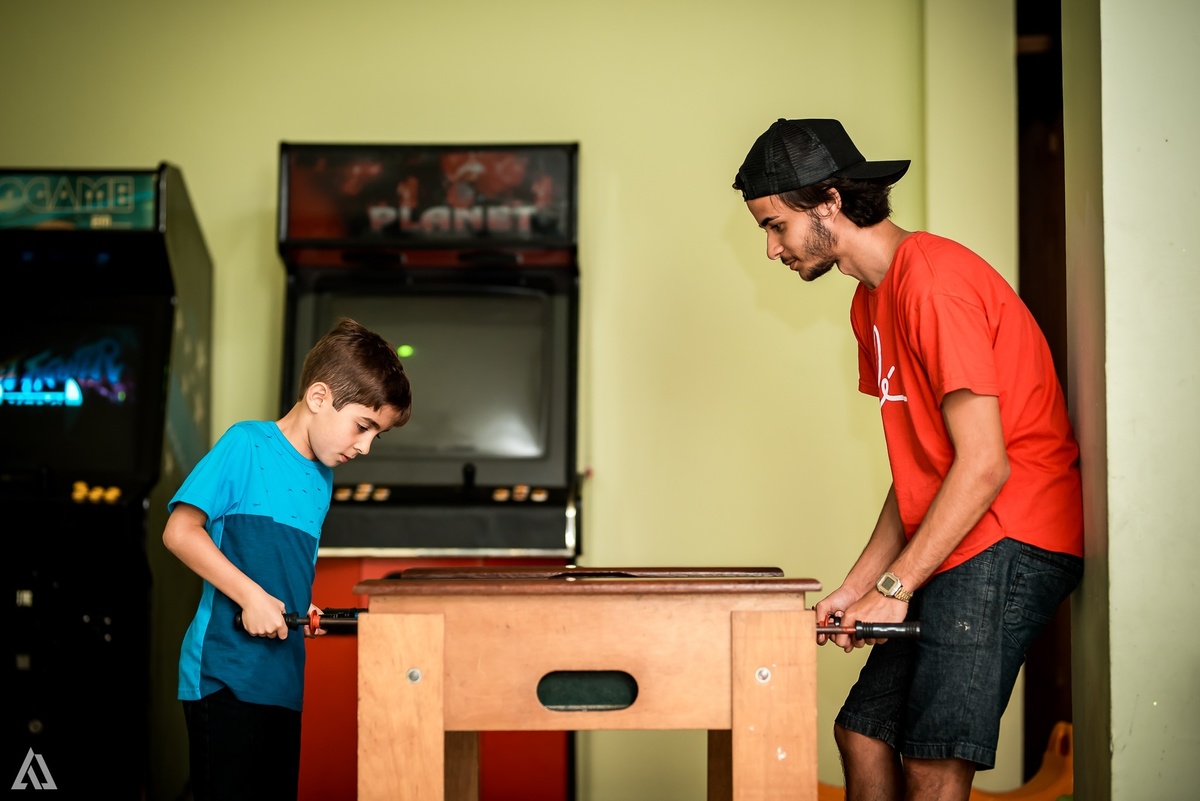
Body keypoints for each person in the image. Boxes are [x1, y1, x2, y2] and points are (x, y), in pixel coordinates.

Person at [732, 119, 1084, 801]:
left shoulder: (934, 281)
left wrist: (893, 590)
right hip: (957, 534)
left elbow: (984, 464)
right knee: (863, 732)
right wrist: (855, 587)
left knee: (932, 760)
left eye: (775, 226)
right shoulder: (870, 303)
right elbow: (920, 471)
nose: (772, 249)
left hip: (1012, 532)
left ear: (829, 201)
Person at [162, 317, 412, 801]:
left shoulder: (322, 478)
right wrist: (252, 598)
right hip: (225, 676)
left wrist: (302, 609)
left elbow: (283, 563)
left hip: (282, 682)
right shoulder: (246, 444)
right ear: (319, 398)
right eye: (363, 426)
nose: (364, 446)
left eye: (375, 436)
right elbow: (179, 532)